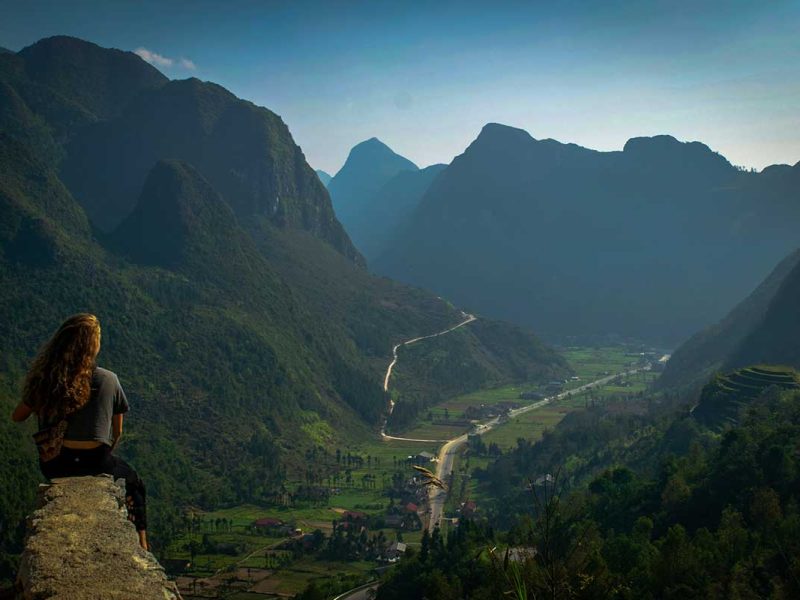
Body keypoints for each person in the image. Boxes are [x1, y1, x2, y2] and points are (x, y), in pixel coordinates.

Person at [11, 314, 149, 550]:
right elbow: (116, 433)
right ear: (93, 345)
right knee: (134, 482)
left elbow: (18, 416)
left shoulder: (48, 380)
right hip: (97, 463)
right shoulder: (108, 379)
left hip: (56, 464)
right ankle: (142, 543)